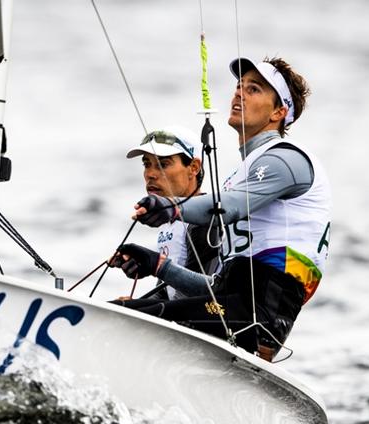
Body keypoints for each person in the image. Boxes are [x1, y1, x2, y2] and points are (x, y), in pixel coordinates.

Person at [110, 56, 332, 361]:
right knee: (125, 311)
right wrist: (158, 266)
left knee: (128, 318)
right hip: (234, 302)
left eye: (253, 89)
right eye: (238, 86)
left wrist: (172, 207)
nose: (238, 94)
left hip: (262, 312)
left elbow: (227, 206)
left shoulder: (287, 159)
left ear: (279, 112)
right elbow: (213, 287)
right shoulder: (243, 172)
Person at [124, 126, 219, 300]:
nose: (150, 174)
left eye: (163, 164)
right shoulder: (170, 222)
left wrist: (137, 309)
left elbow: (202, 298)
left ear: (194, 167)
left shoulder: (205, 221)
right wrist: (134, 306)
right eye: (147, 164)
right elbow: (166, 292)